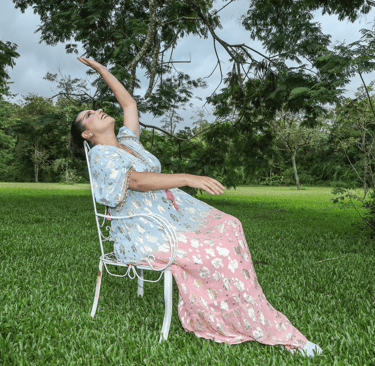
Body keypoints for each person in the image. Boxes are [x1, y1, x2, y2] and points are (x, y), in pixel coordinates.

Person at [69, 57, 323, 358]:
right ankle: (266, 328)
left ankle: (244, 305)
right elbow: (134, 181)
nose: (97, 110)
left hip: (169, 219)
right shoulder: (100, 155)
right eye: (89, 114)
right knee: (219, 253)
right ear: (86, 133)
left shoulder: (128, 142)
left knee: (230, 225)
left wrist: (101, 70)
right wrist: (188, 177)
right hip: (143, 234)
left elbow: (130, 106)